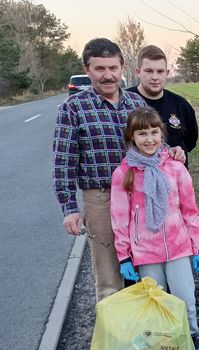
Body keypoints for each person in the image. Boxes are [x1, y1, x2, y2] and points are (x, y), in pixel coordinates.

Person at [53, 38, 184, 302]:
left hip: (141, 193)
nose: (108, 75)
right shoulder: (74, 108)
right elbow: (63, 161)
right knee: (110, 277)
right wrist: (69, 208)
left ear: (122, 67)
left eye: (113, 68)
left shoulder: (136, 102)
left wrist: (171, 152)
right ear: (87, 69)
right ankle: (113, 340)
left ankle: (149, 333)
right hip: (101, 198)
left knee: (146, 266)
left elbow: (154, 142)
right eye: (100, 68)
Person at [110, 107, 199, 336]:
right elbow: (120, 219)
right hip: (146, 251)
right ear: (131, 136)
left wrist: (197, 245)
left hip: (178, 247)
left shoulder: (175, 168)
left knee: (185, 300)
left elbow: (189, 210)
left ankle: (190, 342)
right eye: (142, 134)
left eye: (154, 132)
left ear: (162, 134)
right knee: (157, 304)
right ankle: (163, 349)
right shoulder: (124, 173)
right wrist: (124, 256)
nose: (149, 139)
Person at [128, 45, 198, 168]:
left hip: (175, 181)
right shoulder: (126, 102)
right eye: (149, 71)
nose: (155, 77)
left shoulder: (181, 105)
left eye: (160, 71)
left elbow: (190, 142)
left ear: (167, 73)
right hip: (136, 181)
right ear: (138, 72)